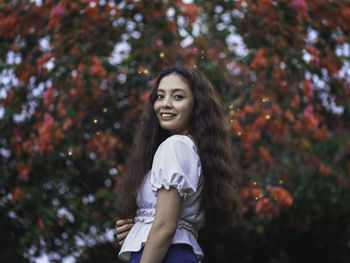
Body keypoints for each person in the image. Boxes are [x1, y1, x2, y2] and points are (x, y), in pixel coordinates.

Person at [115, 66, 241, 263]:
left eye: (178, 97)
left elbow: (165, 227)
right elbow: (178, 225)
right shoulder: (192, 150)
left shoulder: (175, 145)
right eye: (160, 96)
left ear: (196, 105)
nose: (165, 104)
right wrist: (137, 230)